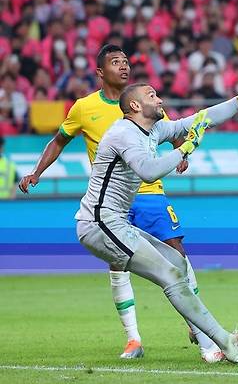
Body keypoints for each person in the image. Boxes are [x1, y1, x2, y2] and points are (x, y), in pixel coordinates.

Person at [19, 45, 219, 362]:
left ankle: (199, 330)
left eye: (126, 61)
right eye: (115, 62)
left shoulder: (142, 101)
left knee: (177, 256)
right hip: (112, 203)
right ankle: (133, 339)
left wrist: (182, 152)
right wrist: (36, 172)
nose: (123, 66)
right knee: (119, 266)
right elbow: (59, 140)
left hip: (150, 192)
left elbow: (172, 132)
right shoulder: (84, 108)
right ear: (100, 72)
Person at [75, 71, 238, 363]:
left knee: (177, 263)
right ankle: (223, 343)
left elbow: (201, 118)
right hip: (98, 222)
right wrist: (186, 148)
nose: (160, 99)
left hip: (114, 221)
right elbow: (148, 171)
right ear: (136, 107)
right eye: (152, 95)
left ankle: (208, 340)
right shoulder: (123, 133)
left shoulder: (153, 130)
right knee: (170, 276)